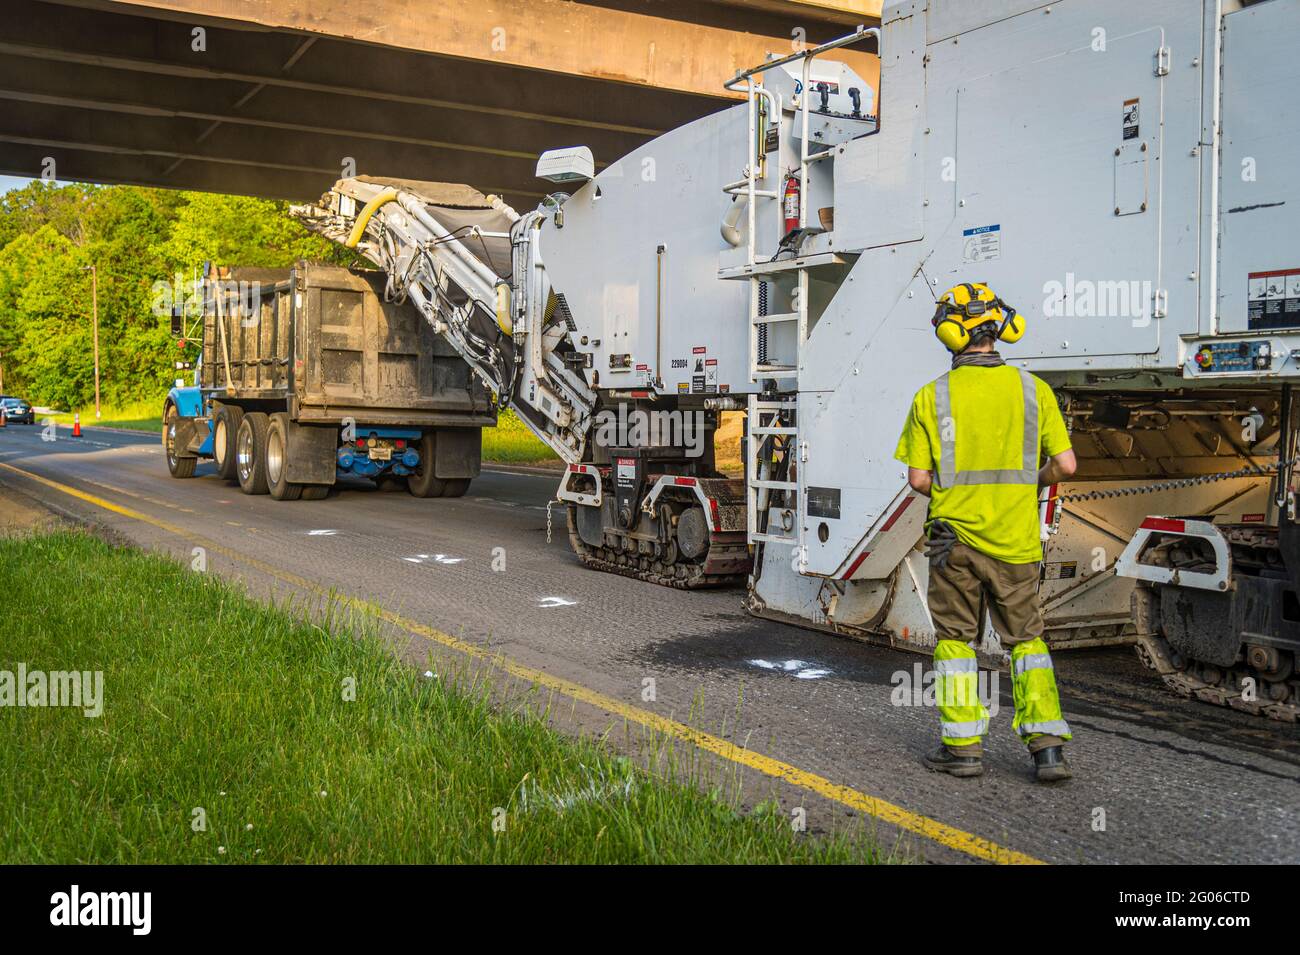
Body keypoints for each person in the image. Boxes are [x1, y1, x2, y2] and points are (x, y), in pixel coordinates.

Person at [894, 283, 1078, 782]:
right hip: (1016, 542)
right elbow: (1065, 464)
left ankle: (964, 751)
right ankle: (1047, 750)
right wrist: (1028, 482)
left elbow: (917, 480)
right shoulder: (1033, 390)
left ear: (952, 334)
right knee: (1027, 641)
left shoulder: (931, 396)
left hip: (953, 543)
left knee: (956, 643)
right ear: (1002, 328)